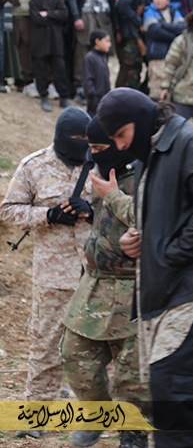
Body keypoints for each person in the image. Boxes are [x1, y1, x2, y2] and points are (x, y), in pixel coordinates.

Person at [96, 89, 193, 448]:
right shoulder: (150, 157)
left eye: (121, 134)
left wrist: (168, 255)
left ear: (139, 120)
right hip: (177, 293)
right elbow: (170, 218)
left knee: (174, 396)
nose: (120, 146)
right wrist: (139, 239)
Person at [0, 107, 93, 439]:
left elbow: (124, 208)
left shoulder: (100, 163)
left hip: (96, 274)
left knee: (98, 351)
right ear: (62, 137)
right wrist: (48, 215)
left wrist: (93, 210)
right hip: (52, 276)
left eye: (88, 138)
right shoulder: (33, 165)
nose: (84, 144)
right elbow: (8, 210)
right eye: (78, 138)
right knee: (45, 347)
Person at [63, 117, 149, 448]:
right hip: (95, 284)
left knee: (132, 375)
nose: (94, 155)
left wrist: (113, 198)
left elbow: (154, 220)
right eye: (91, 148)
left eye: (100, 148)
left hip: (134, 288)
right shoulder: (101, 173)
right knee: (75, 356)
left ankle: (133, 433)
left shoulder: (144, 175)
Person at [64, 0, 116, 93]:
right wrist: (76, 17)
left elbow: (112, 1)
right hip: (85, 17)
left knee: (104, 52)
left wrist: (116, 25)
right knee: (83, 52)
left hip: (104, 18)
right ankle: (81, 87)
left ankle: (102, 87)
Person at [28, 0, 72, 111]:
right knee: (40, 71)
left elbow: (64, 15)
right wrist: (54, 16)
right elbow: (37, 19)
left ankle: (64, 97)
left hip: (55, 42)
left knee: (60, 70)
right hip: (39, 42)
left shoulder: (56, 0)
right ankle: (44, 96)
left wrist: (47, 14)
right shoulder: (34, 2)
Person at [143, 0, 185, 97]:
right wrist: (174, 37)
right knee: (156, 88)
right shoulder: (149, 12)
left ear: (168, 0)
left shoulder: (174, 11)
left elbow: (182, 28)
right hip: (157, 54)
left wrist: (164, 25)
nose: (158, 0)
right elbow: (154, 31)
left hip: (174, 55)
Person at [83, 30, 112, 116]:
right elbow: (88, 80)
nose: (109, 44)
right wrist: (93, 98)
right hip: (95, 104)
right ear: (97, 41)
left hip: (104, 101)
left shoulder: (103, 57)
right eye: (106, 41)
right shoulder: (90, 57)